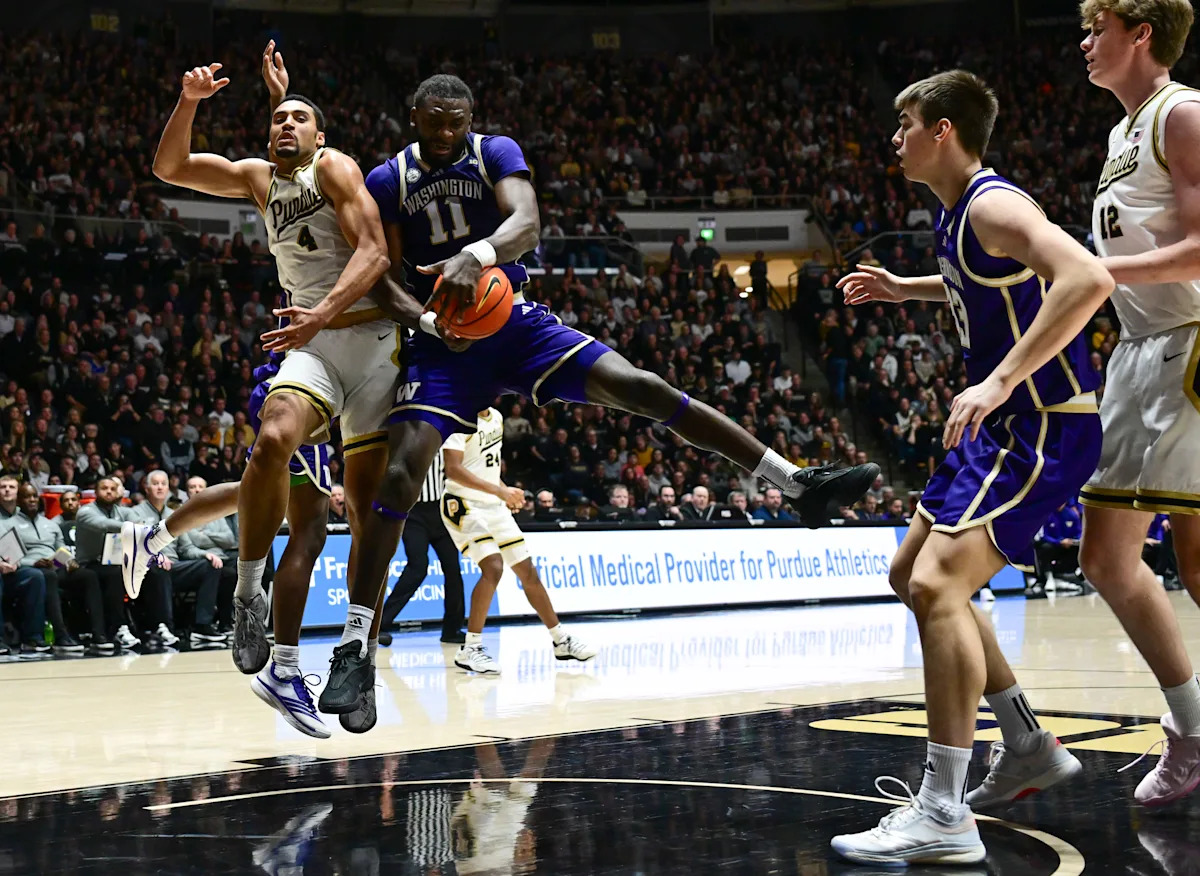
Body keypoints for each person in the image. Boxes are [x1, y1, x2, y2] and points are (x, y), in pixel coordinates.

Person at [311, 72, 879, 711]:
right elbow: (382, 271)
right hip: (443, 343)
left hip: (514, 322)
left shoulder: (493, 151)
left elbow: (526, 222)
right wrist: (424, 321)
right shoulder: (389, 179)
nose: (446, 132)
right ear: (413, 116)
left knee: (644, 387)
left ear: (471, 118)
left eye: (457, 121)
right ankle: (355, 648)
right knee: (399, 476)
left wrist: (479, 254)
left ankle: (795, 483)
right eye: (435, 120)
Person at [829, 70, 1112, 866]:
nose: (896, 139)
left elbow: (1088, 277)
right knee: (910, 574)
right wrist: (906, 289)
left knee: (936, 586)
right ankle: (1025, 745)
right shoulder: (956, 213)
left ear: (944, 130)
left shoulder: (992, 203)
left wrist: (1000, 381)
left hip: (1042, 424)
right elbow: (980, 280)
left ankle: (945, 810)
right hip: (1003, 431)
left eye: (906, 124)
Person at [132, 44, 418, 734]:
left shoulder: (337, 166)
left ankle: (356, 654)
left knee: (365, 511)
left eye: (299, 118)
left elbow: (374, 252)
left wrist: (320, 313)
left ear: (321, 134)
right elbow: (170, 168)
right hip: (312, 345)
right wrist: (189, 102)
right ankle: (248, 596)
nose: (286, 124)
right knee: (272, 441)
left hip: (371, 344)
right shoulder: (261, 179)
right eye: (278, 118)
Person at [1074, 0, 1200, 808]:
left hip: (1191, 340)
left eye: (1097, 29)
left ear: (1141, 32)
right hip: (1134, 350)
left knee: (1198, 563)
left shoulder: (1182, 114)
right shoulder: (1122, 133)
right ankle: (1194, 727)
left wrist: (1097, 275)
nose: (1085, 42)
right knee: (1105, 560)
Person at [439, 408, 595, 673]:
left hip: (493, 505)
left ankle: (561, 640)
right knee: (493, 567)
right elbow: (452, 469)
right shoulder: (458, 418)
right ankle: (471, 648)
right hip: (462, 503)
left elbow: (486, 468)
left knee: (528, 572)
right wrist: (499, 491)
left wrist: (505, 492)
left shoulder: (496, 417)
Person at [378, 445, 467, 645]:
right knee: (417, 567)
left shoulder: (446, 441)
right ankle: (380, 624)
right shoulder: (407, 438)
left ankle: (452, 629)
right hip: (413, 512)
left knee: (453, 569)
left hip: (440, 511)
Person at [2, 483, 104, 653]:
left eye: (34, 496)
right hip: (31, 570)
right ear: (19, 501)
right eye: (27, 497)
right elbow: (12, 558)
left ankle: (98, 634)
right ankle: (61, 635)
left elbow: (62, 550)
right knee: (48, 576)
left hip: (54, 566)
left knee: (88, 575)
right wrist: (33, 563)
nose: (32, 500)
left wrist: (66, 561)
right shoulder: (7, 525)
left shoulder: (50, 524)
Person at [77, 476, 169, 650]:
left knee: (153, 570)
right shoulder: (85, 511)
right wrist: (135, 528)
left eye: (113, 489)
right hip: (91, 563)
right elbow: (104, 525)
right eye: (104, 488)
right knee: (116, 573)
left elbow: (141, 522)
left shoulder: (123, 511)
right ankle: (119, 627)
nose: (109, 492)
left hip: (118, 562)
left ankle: (157, 625)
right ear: (96, 492)